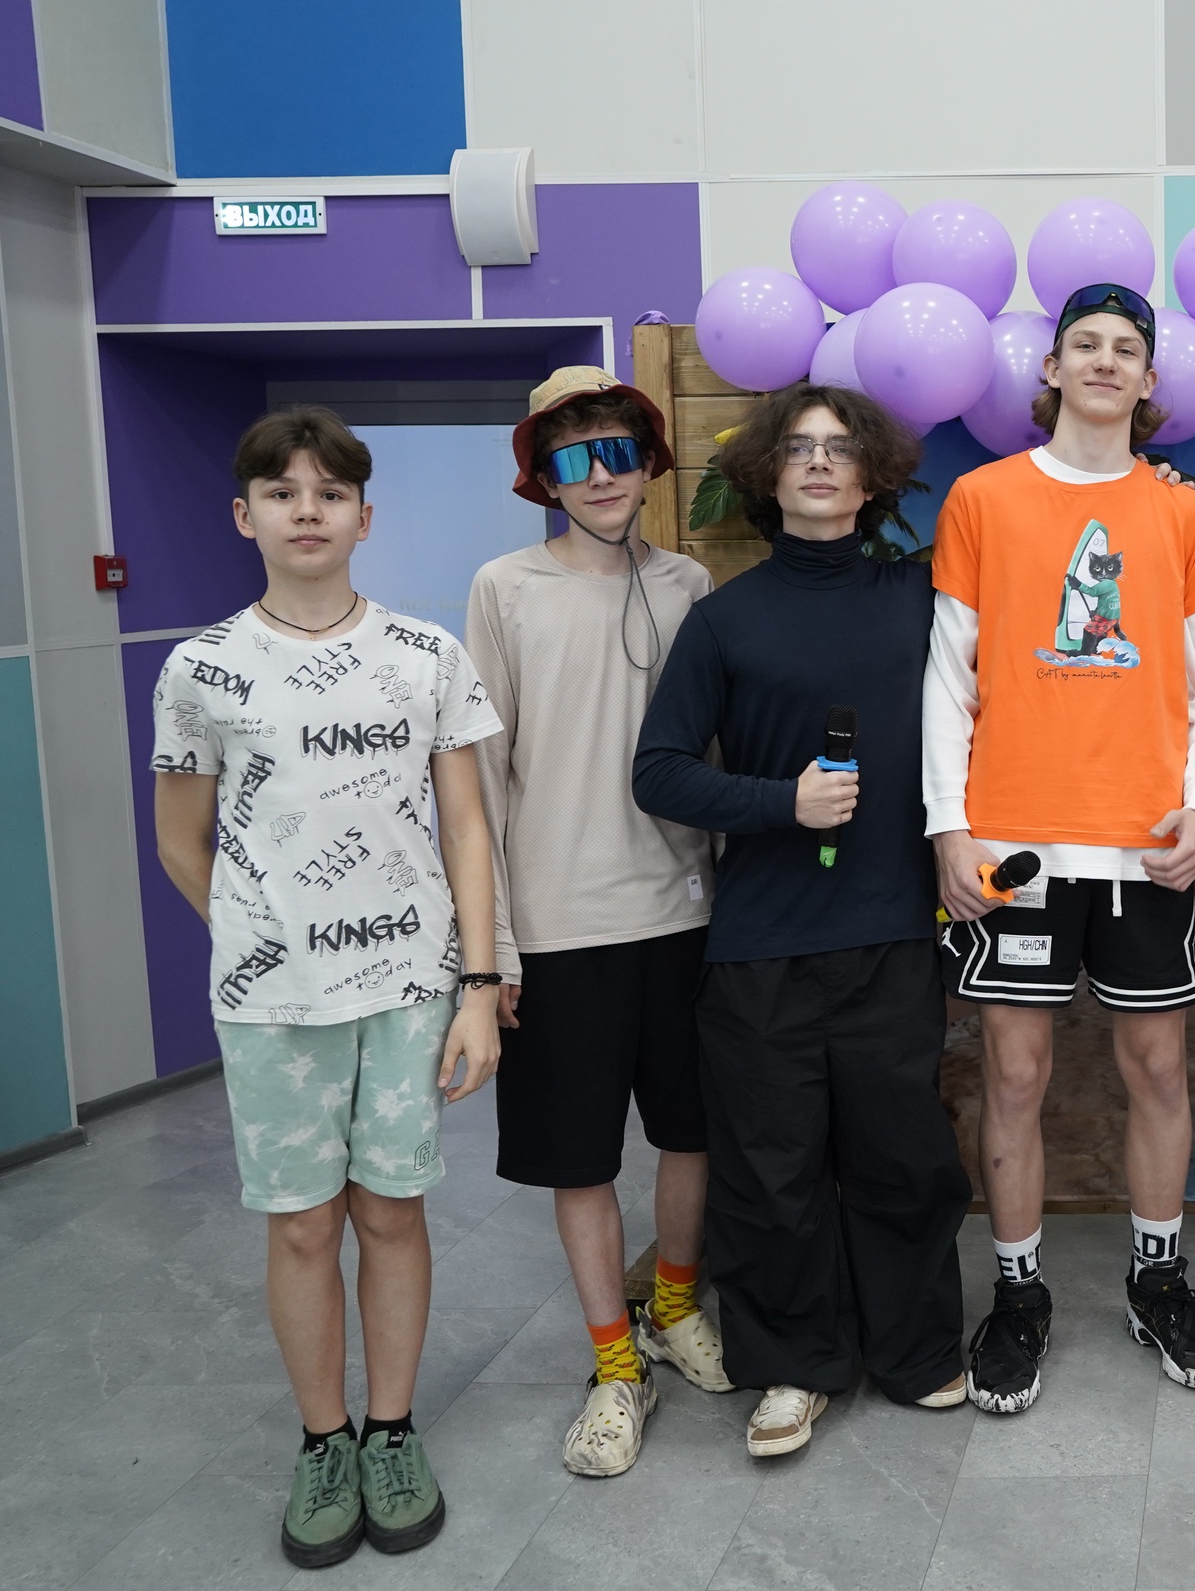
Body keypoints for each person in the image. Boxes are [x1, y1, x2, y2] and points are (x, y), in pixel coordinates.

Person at [151, 406, 504, 1567]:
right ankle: (323, 1442)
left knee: (392, 1212)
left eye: (330, 493)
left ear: (364, 516)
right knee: (303, 1226)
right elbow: (181, 840)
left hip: (408, 989)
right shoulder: (201, 670)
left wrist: (477, 984)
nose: (307, 511)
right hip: (272, 1005)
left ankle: (391, 1432)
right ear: (243, 515)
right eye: (282, 491)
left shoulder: (425, 656)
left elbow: (467, 825)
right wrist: (261, 939)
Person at [631, 382, 971, 1458]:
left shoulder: (924, 598)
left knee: (902, 1161)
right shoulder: (724, 620)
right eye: (798, 448)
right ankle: (793, 1365)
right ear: (767, 476)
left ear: (872, 477)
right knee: (772, 1174)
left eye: (839, 448)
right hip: (762, 946)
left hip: (892, 934)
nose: (819, 463)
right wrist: (784, 802)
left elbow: (1055, 585)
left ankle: (915, 1350)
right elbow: (659, 771)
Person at [927, 282, 1195, 1412]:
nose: (1106, 361)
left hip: (1143, 844)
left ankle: (1158, 1283)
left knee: (1156, 1069)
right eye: (1085, 344)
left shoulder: (1186, 516)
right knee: (1014, 1074)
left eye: (1126, 349)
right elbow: (948, 675)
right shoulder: (982, 498)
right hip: (1013, 844)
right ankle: (1018, 1295)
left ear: (1149, 380)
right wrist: (949, 825)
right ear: (1052, 367)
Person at [465, 366, 731, 1479]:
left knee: (691, 1133)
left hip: (682, 914)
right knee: (578, 1159)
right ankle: (614, 1363)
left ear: (648, 461)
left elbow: (713, 753)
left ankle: (672, 1301)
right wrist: (491, 953)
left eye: (618, 451)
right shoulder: (504, 588)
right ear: (543, 476)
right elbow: (479, 782)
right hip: (555, 929)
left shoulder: (689, 583)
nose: (600, 476)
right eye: (572, 458)